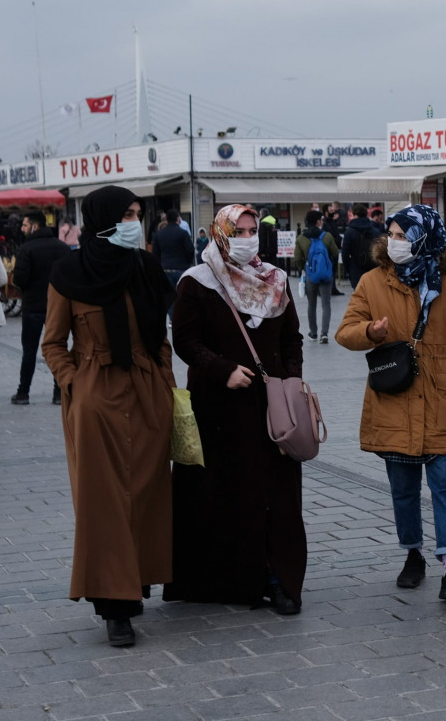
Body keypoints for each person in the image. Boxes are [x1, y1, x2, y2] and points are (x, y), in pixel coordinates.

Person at [41, 185, 176, 647]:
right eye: (126, 215)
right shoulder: (68, 273)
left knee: (142, 496)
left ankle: (133, 588)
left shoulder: (146, 267)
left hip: (145, 395)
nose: (134, 222)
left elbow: (159, 331)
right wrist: (76, 384)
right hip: (95, 398)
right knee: (104, 504)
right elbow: (53, 342)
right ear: (102, 219)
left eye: (138, 214)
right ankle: (114, 608)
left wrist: (163, 380)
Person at [335, 205, 446, 602]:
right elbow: (345, 332)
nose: (395, 242)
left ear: (425, 236)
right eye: (392, 234)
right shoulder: (372, 281)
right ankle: (413, 554)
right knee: (403, 489)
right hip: (395, 400)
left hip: (444, 399)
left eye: (403, 235)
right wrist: (371, 330)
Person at [165, 205, 305, 614]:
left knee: (275, 495)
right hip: (219, 410)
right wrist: (222, 369)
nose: (247, 238)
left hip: (271, 408)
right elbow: (186, 341)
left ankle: (277, 577)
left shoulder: (275, 280)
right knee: (225, 493)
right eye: (238, 231)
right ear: (220, 233)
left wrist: (291, 380)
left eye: (251, 230)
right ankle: (227, 579)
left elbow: (292, 337)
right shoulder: (198, 282)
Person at [11, 211, 71, 405]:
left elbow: (19, 279)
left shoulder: (26, 249)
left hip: (32, 307)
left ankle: (23, 393)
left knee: (29, 350)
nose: (22, 228)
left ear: (35, 226)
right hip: (57, 307)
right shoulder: (62, 248)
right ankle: (59, 392)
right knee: (58, 347)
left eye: (25, 225)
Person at [295, 209, 339, 343]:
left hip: (311, 274)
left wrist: (304, 268)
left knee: (311, 304)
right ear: (318, 221)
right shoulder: (327, 236)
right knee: (326, 304)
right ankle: (324, 334)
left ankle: (313, 333)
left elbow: (297, 258)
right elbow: (335, 253)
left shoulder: (301, 238)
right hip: (326, 274)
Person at [152, 209, 195, 306]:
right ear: (178, 219)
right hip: (181, 269)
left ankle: (172, 318)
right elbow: (190, 250)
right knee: (183, 296)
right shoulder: (183, 233)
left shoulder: (159, 235)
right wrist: (188, 263)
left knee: (169, 297)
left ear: (166, 220)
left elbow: (155, 254)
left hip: (165, 270)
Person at [341, 203, 382, 289]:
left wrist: (348, 270)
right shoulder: (375, 231)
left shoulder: (349, 232)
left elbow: (345, 254)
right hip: (373, 268)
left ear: (354, 214)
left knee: (359, 298)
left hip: (356, 269)